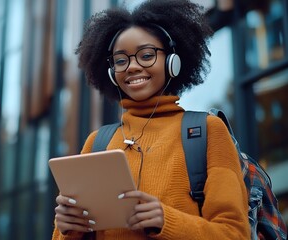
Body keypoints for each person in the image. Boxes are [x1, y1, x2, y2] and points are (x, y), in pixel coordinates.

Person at [52, 0, 250, 239]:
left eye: (146, 55)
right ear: (111, 73)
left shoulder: (207, 131)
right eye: (121, 60)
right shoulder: (97, 143)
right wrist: (67, 229)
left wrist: (166, 221)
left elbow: (234, 233)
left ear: (172, 61)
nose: (132, 67)